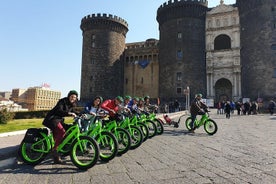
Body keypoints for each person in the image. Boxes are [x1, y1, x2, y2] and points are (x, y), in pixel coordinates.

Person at [42, 90, 79, 164]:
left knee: (65, 131)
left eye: (75, 97)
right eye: (72, 96)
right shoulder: (62, 101)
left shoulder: (71, 104)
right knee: (62, 131)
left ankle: (56, 157)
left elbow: (75, 111)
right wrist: (69, 113)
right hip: (52, 119)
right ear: (69, 96)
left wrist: (82, 114)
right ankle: (54, 150)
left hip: (59, 120)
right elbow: (59, 110)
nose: (73, 98)